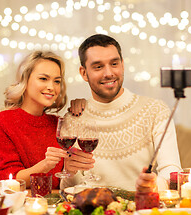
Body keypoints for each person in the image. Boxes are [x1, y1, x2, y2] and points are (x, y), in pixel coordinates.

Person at [61, 34, 182, 192]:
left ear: (122, 65)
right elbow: (68, 190)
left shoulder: (156, 111)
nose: (109, 73)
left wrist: (155, 184)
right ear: (84, 73)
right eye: (98, 66)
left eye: (114, 63)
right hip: (91, 213)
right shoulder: (73, 118)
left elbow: (173, 171)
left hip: (142, 208)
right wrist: (69, 172)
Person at [0, 51, 93, 188]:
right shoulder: (2, 123)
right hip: (12, 207)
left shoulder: (58, 125)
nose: (51, 87)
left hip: (52, 208)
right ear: (25, 80)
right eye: (43, 79)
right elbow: (6, 181)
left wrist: (69, 170)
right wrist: (45, 165)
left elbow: (60, 185)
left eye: (57, 81)